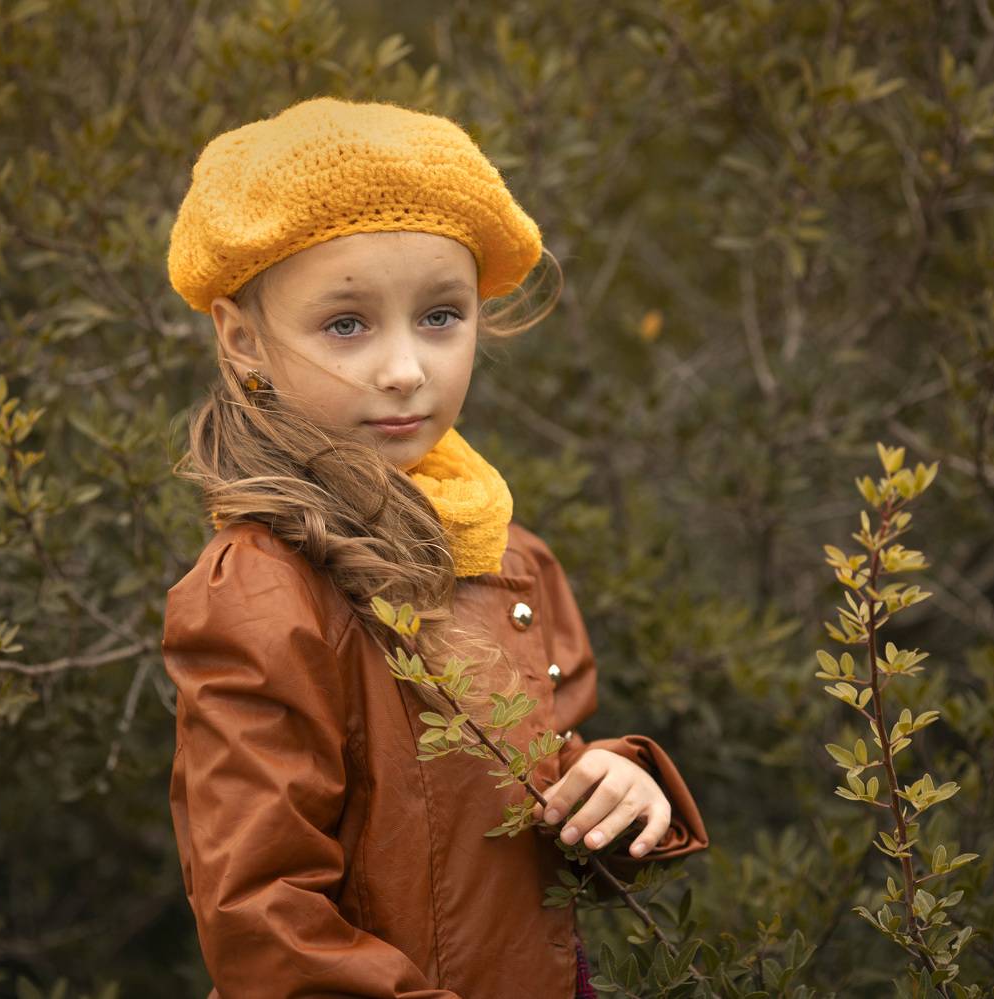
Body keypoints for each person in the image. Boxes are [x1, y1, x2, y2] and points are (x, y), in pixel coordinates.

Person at [161, 95, 710, 999]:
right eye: (346, 324)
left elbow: (521, 800)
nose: (406, 369)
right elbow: (262, 920)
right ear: (244, 338)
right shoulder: (262, 592)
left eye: (441, 315)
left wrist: (619, 783)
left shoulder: (508, 555)